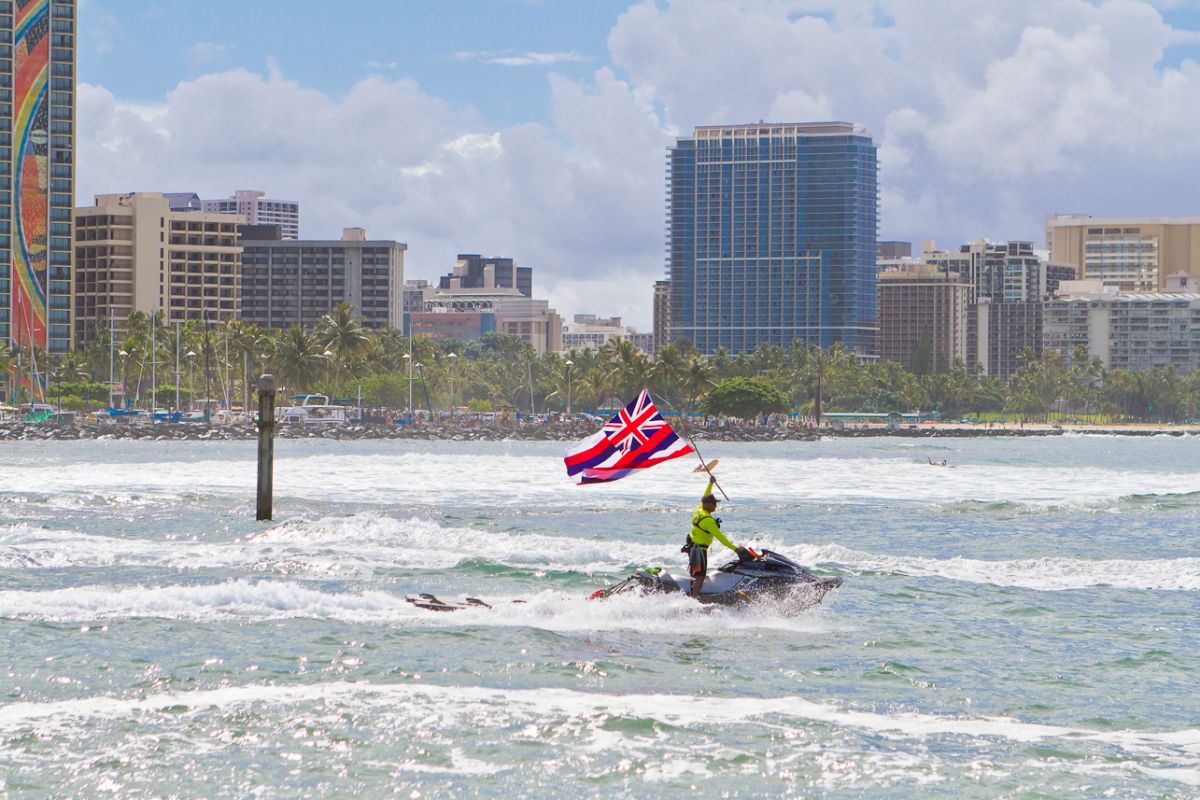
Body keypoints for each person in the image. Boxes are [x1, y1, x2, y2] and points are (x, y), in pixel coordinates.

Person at [683, 475, 747, 597]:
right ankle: (694, 599)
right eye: (714, 504)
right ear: (707, 504)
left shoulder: (699, 509)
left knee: (695, 574)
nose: (715, 506)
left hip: (692, 548)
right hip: (699, 550)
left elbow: (706, 494)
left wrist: (711, 483)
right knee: (700, 576)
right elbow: (721, 537)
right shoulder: (708, 520)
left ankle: (692, 593)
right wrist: (735, 549)